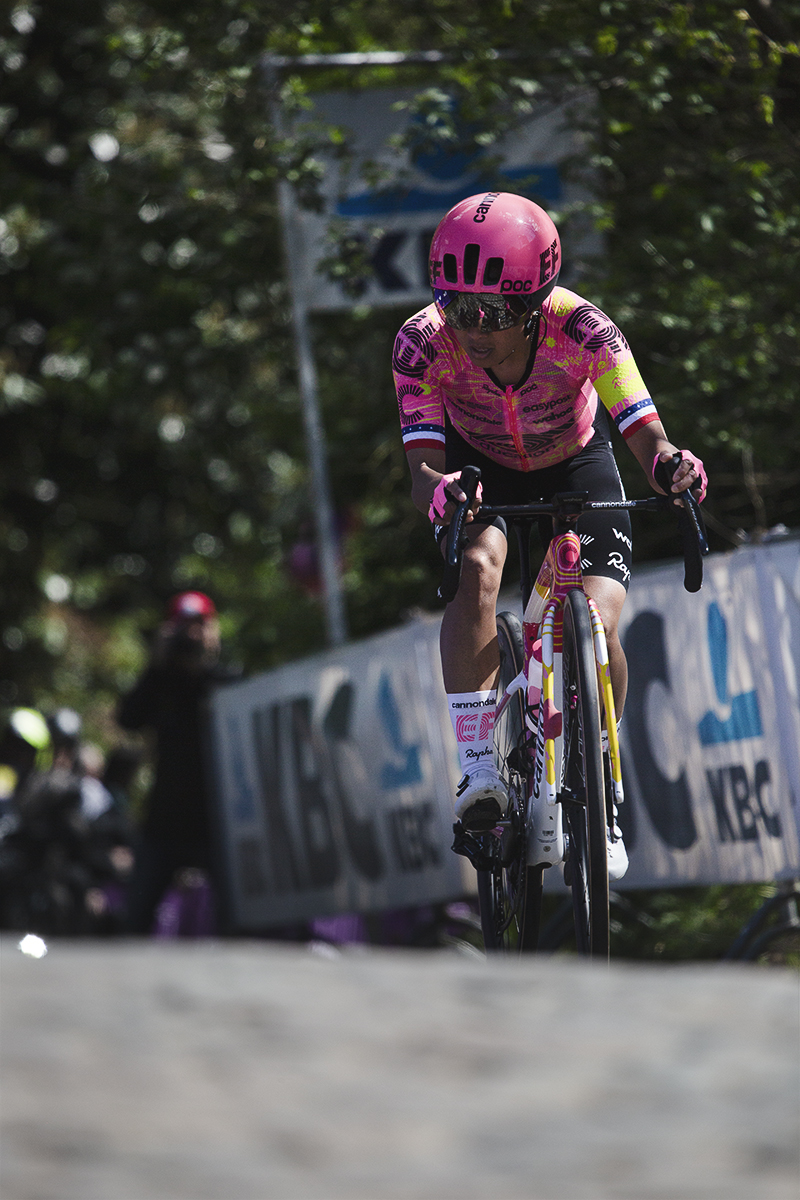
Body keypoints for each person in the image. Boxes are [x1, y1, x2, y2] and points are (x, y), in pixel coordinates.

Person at [392, 192, 707, 878]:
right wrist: (441, 491)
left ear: (537, 302)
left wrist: (668, 464)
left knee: (593, 623)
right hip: (482, 474)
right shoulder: (422, 340)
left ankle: (603, 783)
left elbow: (644, 431)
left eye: (494, 312)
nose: (473, 326)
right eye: (458, 304)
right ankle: (479, 771)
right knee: (478, 570)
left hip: (577, 463)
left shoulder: (585, 328)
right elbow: (423, 469)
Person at [117, 591, 237, 933]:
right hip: (165, 821)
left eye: (200, 626)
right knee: (136, 917)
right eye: (185, 627)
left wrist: (207, 661)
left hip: (216, 821)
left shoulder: (226, 683)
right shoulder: (160, 684)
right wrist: (156, 664)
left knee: (233, 919)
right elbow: (128, 718)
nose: (193, 636)